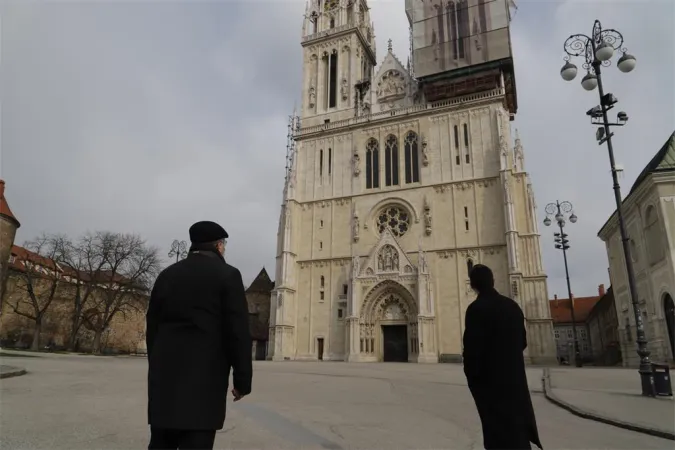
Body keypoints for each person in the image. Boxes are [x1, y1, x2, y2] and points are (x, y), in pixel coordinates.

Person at [146, 221, 252, 449]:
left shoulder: (166, 275)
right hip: (204, 383)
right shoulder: (228, 276)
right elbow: (238, 332)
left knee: (160, 443)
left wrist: (155, 363)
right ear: (219, 246)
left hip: (164, 381)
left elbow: (152, 326)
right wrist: (242, 381)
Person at [462, 264, 542, 450]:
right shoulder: (512, 307)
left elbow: (471, 352)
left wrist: (474, 381)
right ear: (493, 281)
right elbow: (522, 342)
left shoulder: (476, 309)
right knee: (517, 432)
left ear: (473, 285)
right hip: (515, 382)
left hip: (491, 388)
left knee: (496, 435)